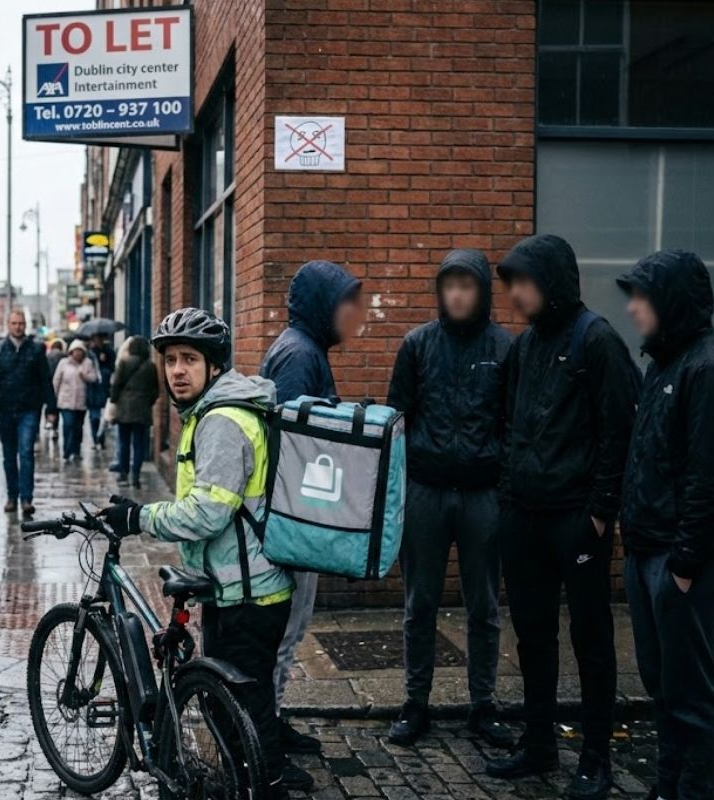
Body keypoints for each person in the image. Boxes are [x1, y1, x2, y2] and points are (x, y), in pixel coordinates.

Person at [102, 308, 304, 799]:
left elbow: (207, 513)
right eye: (170, 360)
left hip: (248, 591)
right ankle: (266, 774)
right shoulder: (212, 413)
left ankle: (266, 784)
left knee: (239, 704)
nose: (176, 370)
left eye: (189, 359)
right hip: (239, 583)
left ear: (213, 366)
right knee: (243, 700)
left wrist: (139, 518)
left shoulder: (223, 421)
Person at [487, 234, 641, 800]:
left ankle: (595, 756)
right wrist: (507, 497)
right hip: (523, 518)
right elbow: (510, 427)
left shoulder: (596, 340)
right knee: (532, 636)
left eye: (523, 282)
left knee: (591, 637)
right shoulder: (526, 347)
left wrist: (600, 514)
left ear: (550, 281)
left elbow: (618, 430)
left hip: (575, 521)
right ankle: (538, 743)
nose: (515, 294)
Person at [616, 250, 714, 800]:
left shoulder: (710, 370)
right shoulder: (663, 364)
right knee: (662, 685)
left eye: (642, 298)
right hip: (649, 552)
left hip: (680, 561)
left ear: (668, 302)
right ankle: (667, 783)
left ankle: (692, 790)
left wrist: (686, 567)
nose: (633, 310)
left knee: (690, 691)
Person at [385, 250, 514, 748]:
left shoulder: (505, 347)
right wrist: (401, 493)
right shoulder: (417, 345)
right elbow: (397, 421)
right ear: (440, 292)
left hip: (483, 496)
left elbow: (513, 423)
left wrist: (499, 478)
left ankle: (483, 705)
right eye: (450, 285)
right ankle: (415, 704)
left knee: (483, 606)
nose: (458, 294)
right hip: (426, 493)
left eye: (467, 285)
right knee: (419, 606)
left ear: (481, 291)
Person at [258, 259, 361, 756]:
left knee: (289, 630)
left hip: (297, 517)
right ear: (321, 303)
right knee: (284, 631)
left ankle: (272, 722)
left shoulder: (306, 348)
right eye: (345, 301)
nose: (353, 313)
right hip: (295, 521)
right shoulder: (299, 356)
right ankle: (265, 738)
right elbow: (295, 448)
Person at [0, 311, 56, 516]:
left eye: (21, 323)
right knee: (9, 455)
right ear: (8, 324)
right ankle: (12, 496)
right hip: (4, 409)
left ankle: (26, 498)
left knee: (26, 452)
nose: (18, 327)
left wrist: (51, 408)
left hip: (29, 409)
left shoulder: (36, 349)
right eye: (14, 323)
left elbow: (45, 380)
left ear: (25, 325)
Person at [109, 335, 159, 489]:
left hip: (124, 409)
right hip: (142, 410)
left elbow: (116, 385)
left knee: (124, 443)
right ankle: (135, 477)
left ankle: (123, 474)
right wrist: (146, 402)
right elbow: (156, 390)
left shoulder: (124, 363)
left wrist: (114, 400)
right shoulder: (150, 366)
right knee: (139, 445)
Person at [53, 339, 98, 462]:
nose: (78, 354)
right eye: (75, 351)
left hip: (81, 402)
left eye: (80, 351)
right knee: (68, 425)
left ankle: (76, 451)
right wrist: (53, 398)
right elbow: (56, 380)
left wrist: (85, 376)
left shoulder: (87, 363)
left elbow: (94, 378)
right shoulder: (63, 363)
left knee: (78, 428)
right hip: (65, 401)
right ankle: (67, 452)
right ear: (71, 352)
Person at [87, 334, 116, 449]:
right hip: (93, 389)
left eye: (99, 338)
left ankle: (101, 439)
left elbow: (113, 367)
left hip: (104, 388)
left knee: (103, 417)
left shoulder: (109, 351)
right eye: (95, 338)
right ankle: (95, 439)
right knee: (93, 417)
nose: (97, 340)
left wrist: (104, 361)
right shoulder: (90, 353)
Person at [44, 340, 66, 440]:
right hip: (62, 384)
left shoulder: (47, 356)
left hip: (50, 382)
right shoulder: (64, 356)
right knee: (57, 406)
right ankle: (54, 427)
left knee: (50, 405)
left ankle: (49, 422)